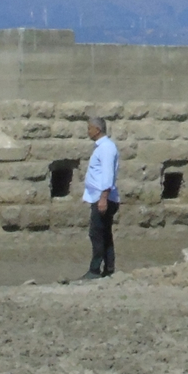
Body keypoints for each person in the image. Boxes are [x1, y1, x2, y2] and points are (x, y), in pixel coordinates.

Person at [80, 116, 119, 280]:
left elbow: (108, 175)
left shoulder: (106, 148)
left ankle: (95, 270)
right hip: (99, 197)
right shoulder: (102, 147)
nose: (88, 131)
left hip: (103, 198)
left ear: (97, 129)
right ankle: (109, 268)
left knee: (96, 234)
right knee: (104, 233)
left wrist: (103, 198)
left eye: (89, 128)